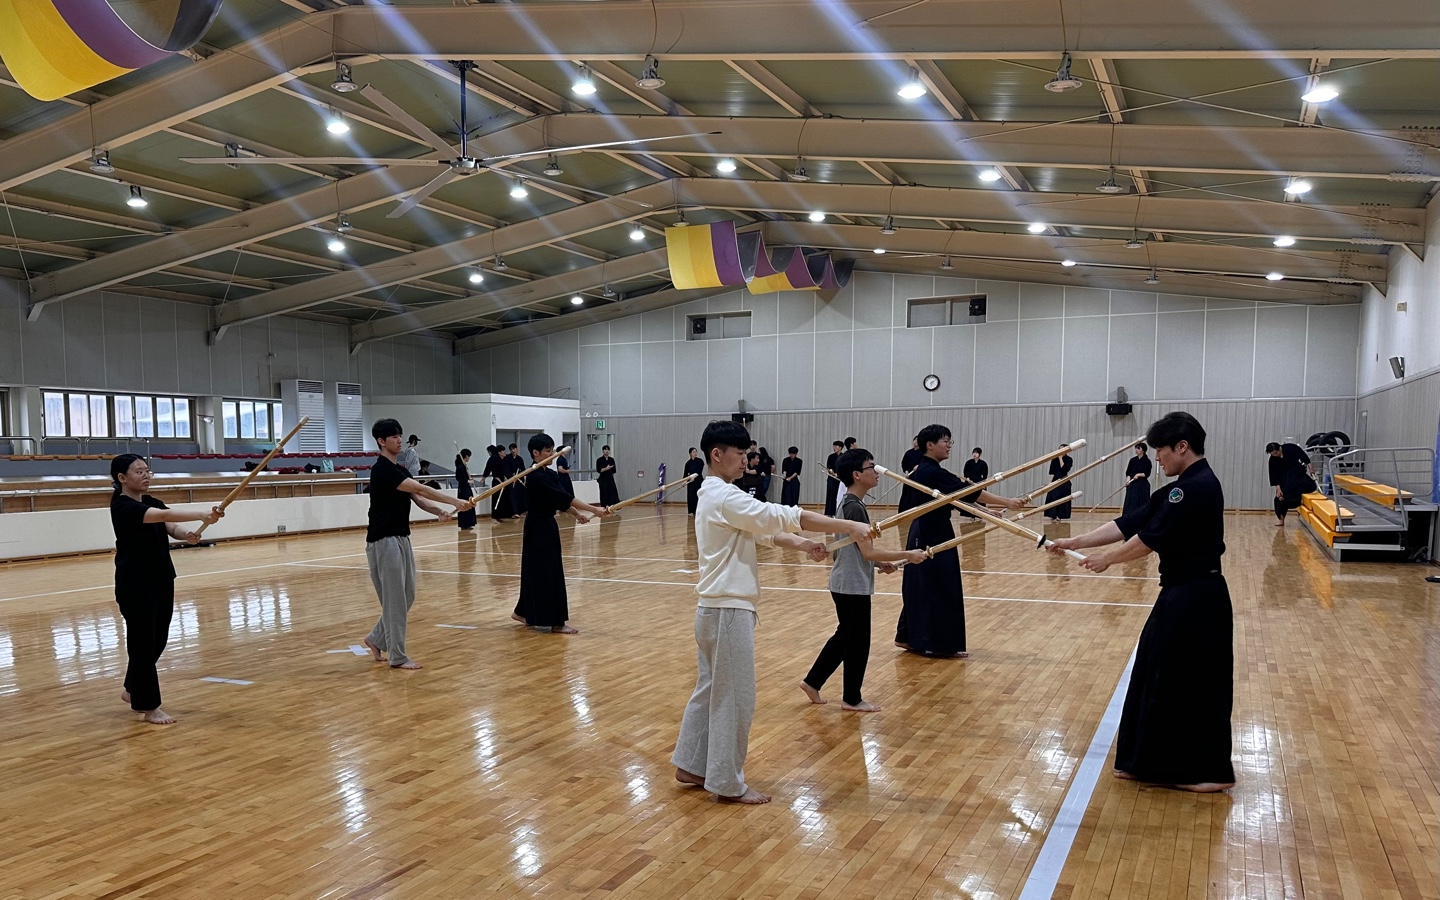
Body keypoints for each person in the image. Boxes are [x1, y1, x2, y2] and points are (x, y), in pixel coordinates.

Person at [671, 420, 872, 805]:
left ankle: (691, 764)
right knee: (735, 697)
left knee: (711, 690)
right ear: (717, 455)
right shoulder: (724, 496)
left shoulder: (720, 495)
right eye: (740, 454)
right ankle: (726, 781)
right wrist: (847, 524)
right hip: (727, 611)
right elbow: (783, 515)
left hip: (713, 610)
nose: (747, 461)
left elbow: (766, 531)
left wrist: (805, 545)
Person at [1049, 412, 1235, 792]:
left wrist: (1108, 559)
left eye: (1160, 451)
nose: (1157, 459)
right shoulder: (1178, 488)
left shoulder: (1195, 487)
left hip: (1197, 597)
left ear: (1182, 446)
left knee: (1188, 682)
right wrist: (1075, 542)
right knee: (1157, 672)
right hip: (1180, 594)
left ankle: (1206, 772)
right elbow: (1130, 522)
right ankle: (1148, 763)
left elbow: (1151, 538)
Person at [801, 449, 926, 712]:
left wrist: (880, 563)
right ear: (857, 475)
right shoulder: (853, 506)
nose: (876, 471)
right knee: (857, 642)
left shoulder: (851, 503)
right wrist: (907, 554)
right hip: (851, 584)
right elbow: (868, 551)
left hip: (847, 582)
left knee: (846, 637)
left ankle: (812, 682)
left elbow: (858, 551)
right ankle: (851, 698)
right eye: (871, 467)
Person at [109, 454, 223, 725]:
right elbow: (161, 516)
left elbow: (170, 525)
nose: (146, 475)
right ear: (122, 478)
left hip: (161, 578)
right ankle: (149, 706)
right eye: (139, 471)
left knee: (157, 639)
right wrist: (201, 513)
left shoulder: (150, 501)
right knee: (142, 643)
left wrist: (187, 534)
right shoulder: (122, 506)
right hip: (135, 583)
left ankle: (132, 688)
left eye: (147, 470)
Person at [896, 424, 1025, 658]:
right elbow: (968, 491)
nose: (949, 446)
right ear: (930, 445)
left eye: (950, 441)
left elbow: (955, 497)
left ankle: (908, 636)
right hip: (931, 533)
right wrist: (1006, 501)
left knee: (922, 584)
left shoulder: (927, 471)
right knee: (938, 586)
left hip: (926, 529)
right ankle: (935, 643)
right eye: (945, 441)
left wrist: (985, 511)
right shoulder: (931, 472)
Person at [362, 418, 472, 670]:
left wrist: (439, 511)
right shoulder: (382, 470)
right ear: (381, 441)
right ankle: (397, 656)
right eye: (394, 437)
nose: (400, 440)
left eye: (400, 435)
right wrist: (454, 501)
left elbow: (418, 499)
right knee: (395, 601)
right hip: (383, 540)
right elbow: (421, 489)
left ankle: (376, 638)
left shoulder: (401, 470)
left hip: (401, 537)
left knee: (407, 595)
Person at [512, 433, 612, 634]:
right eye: (548, 451)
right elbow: (564, 497)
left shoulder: (549, 475)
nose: (551, 455)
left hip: (547, 524)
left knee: (544, 569)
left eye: (552, 450)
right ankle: (554, 622)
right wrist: (594, 509)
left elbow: (561, 499)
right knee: (543, 571)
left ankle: (523, 612)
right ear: (536, 453)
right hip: (537, 527)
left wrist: (577, 514)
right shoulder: (535, 477)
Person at [1268, 441, 1317, 526]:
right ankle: (1281, 520)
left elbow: (1304, 456)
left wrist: (1310, 467)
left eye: (1275, 453)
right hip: (1285, 479)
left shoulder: (1291, 447)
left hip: (1298, 474)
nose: (1275, 455)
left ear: (1279, 448)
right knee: (1280, 498)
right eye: (1272, 454)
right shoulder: (1273, 459)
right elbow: (1273, 474)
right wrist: (1278, 488)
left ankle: (1298, 497)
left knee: (1311, 486)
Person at [1123, 442, 1153, 519]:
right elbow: (1128, 472)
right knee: (1131, 501)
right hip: (1133, 483)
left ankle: (1142, 518)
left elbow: (1147, 473)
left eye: (1138, 448)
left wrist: (1139, 475)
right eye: (1136, 448)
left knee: (1142, 502)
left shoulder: (1147, 461)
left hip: (1142, 484)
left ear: (1143, 450)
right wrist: (1128, 480)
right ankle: (1128, 518)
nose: (1136, 450)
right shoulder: (1132, 460)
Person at [1045, 445, 1074, 521]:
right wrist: (1049, 483)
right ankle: (1052, 515)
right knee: (1053, 497)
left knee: (1062, 498)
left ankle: (1060, 515)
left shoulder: (1069, 459)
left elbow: (1064, 469)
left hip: (1064, 480)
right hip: (1055, 480)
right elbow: (1052, 472)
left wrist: (1061, 458)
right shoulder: (1054, 459)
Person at [959, 447, 989, 519]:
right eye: (974, 453)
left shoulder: (983, 463)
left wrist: (982, 483)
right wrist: (968, 480)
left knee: (979, 497)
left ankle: (979, 514)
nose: (974, 454)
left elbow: (985, 475)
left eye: (976, 453)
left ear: (980, 454)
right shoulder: (968, 463)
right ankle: (969, 514)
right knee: (969, 498)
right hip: (970, 483)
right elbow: (965, 473)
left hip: (979, 483)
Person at [482, 446, 510, 521]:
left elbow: (506, 470)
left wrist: (506, 478)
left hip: (504, 481)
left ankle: (503, 515)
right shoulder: (493, 459)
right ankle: (496, 516)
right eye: (503, 451)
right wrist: (484, 477)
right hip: (497, 481)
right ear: (499, 452)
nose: (505, 452)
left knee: (504, 498)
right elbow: (489, 469)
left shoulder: (505, 459)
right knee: (496, 498)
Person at [454, 449, 477, 530]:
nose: (469, 458)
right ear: (466, 456)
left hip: (466, 487)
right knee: (465, 504)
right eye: (469, 456)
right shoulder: (460, 467)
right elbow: (459, 478)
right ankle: (464, 523)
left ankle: (468, 523)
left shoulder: (463, 466)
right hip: (463, 489)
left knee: (469, 503)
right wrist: (468, 481)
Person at [507, 443, 529, 517]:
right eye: (511, 449)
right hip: (511, 480)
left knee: (520, 495)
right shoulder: (507, 458)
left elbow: (523, 469)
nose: (513, 451)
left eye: (514, 449)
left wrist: (521, 475)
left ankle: (521, 511)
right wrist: (511, 475)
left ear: (516, 449)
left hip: (519, 480)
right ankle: (514, 512)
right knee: (512, 496)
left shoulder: (519, 459)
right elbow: (506, 469)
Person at [823, 440, 844, 516]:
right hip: (832, 478)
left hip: (840, 479)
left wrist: (838, 474)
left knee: (839, 495)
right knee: (831, 495)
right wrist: (831, 471)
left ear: (840, 447)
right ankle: (829, 513)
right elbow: (829, 467)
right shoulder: (831, 457)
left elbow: (844, 468)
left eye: (836, 446)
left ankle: (838, 513)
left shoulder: (844, 457)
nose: (834, 448)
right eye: (833, 446)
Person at [683, 447, 705, 515]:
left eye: (696, 451)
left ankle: (698, 511)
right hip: (691, 482)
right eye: (693, 452)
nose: (695, 453)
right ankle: (691, 511)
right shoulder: (688, 463)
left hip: (698, 481)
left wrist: (694, 477)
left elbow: (699, 471)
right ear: (690, 454)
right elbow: (685, 474)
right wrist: (685, 481)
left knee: (698, 495)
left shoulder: (700, 461)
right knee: (691, 496)